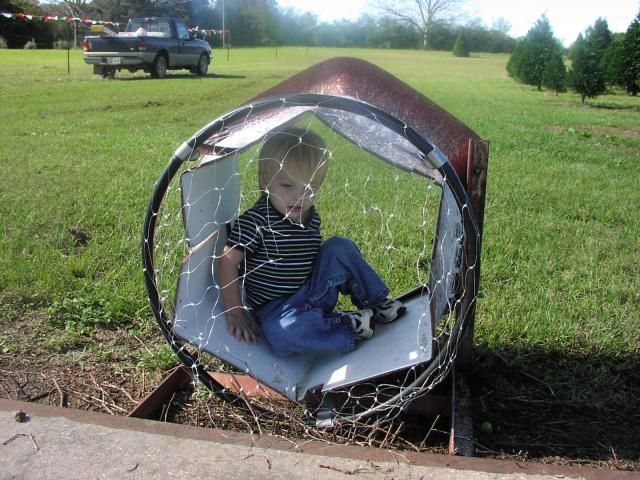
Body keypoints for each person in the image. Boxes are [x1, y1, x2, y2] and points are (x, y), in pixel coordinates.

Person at [217, 127, 404, 357]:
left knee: (339, 247)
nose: (299, 197)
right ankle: (345, 324)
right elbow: (227, 262)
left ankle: (377, 302)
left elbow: (316, 260)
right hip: (277, 310)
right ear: (265, 182)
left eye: (310, 188)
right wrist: (235, 312)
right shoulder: (255, 221)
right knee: (281, 334)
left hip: (313, 292)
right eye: (287, 186)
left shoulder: (310, 215)